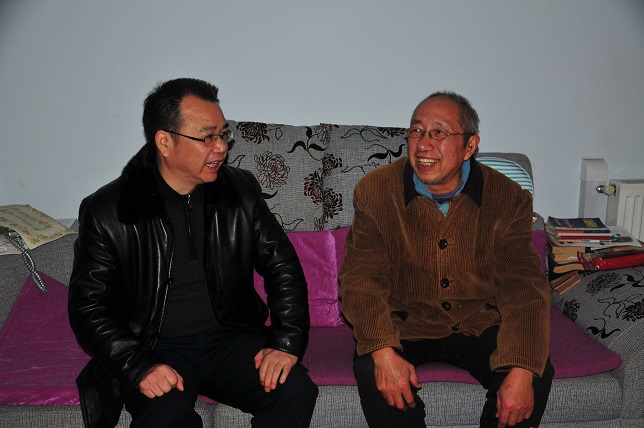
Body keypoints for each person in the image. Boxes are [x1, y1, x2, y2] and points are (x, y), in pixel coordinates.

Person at [68, 78, 318, 428]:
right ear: (165, 142)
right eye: (207, 137)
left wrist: (286, 342)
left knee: (296, 390)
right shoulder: (108, 211)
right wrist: (137, 365)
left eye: (224, 135)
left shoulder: (239, 190)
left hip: (229, 339)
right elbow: (88, 307)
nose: (221, 148)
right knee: (165, 416)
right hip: (153, 347)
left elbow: (283, 267)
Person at [338, 91, 554, 428]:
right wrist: (382, 351)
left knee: (532, 373)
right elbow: (361, 278)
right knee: (371, 368)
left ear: (470, 146)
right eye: (416, 131)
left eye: (439, 132)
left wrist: (523, 368)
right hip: (403, 323)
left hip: (478, 322)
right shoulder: (376, 190)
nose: (423, 145)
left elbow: (523, 286)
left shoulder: (508, 197)